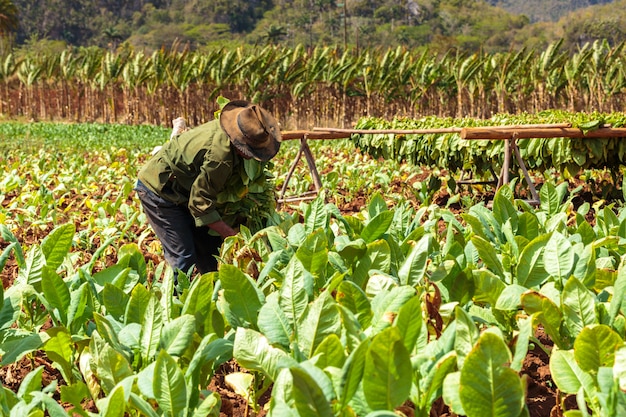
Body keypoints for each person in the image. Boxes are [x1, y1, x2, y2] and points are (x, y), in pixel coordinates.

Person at [135, 100, 281, 277]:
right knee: (183, 259)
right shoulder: (220, 159)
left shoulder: (228, 129)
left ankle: (213, 295)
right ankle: (176, 302)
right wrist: (232, 235)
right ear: (241, 145)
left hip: (184, 190)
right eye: (252, 151)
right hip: (160, 191)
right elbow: (200, 204)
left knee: (211, 251)